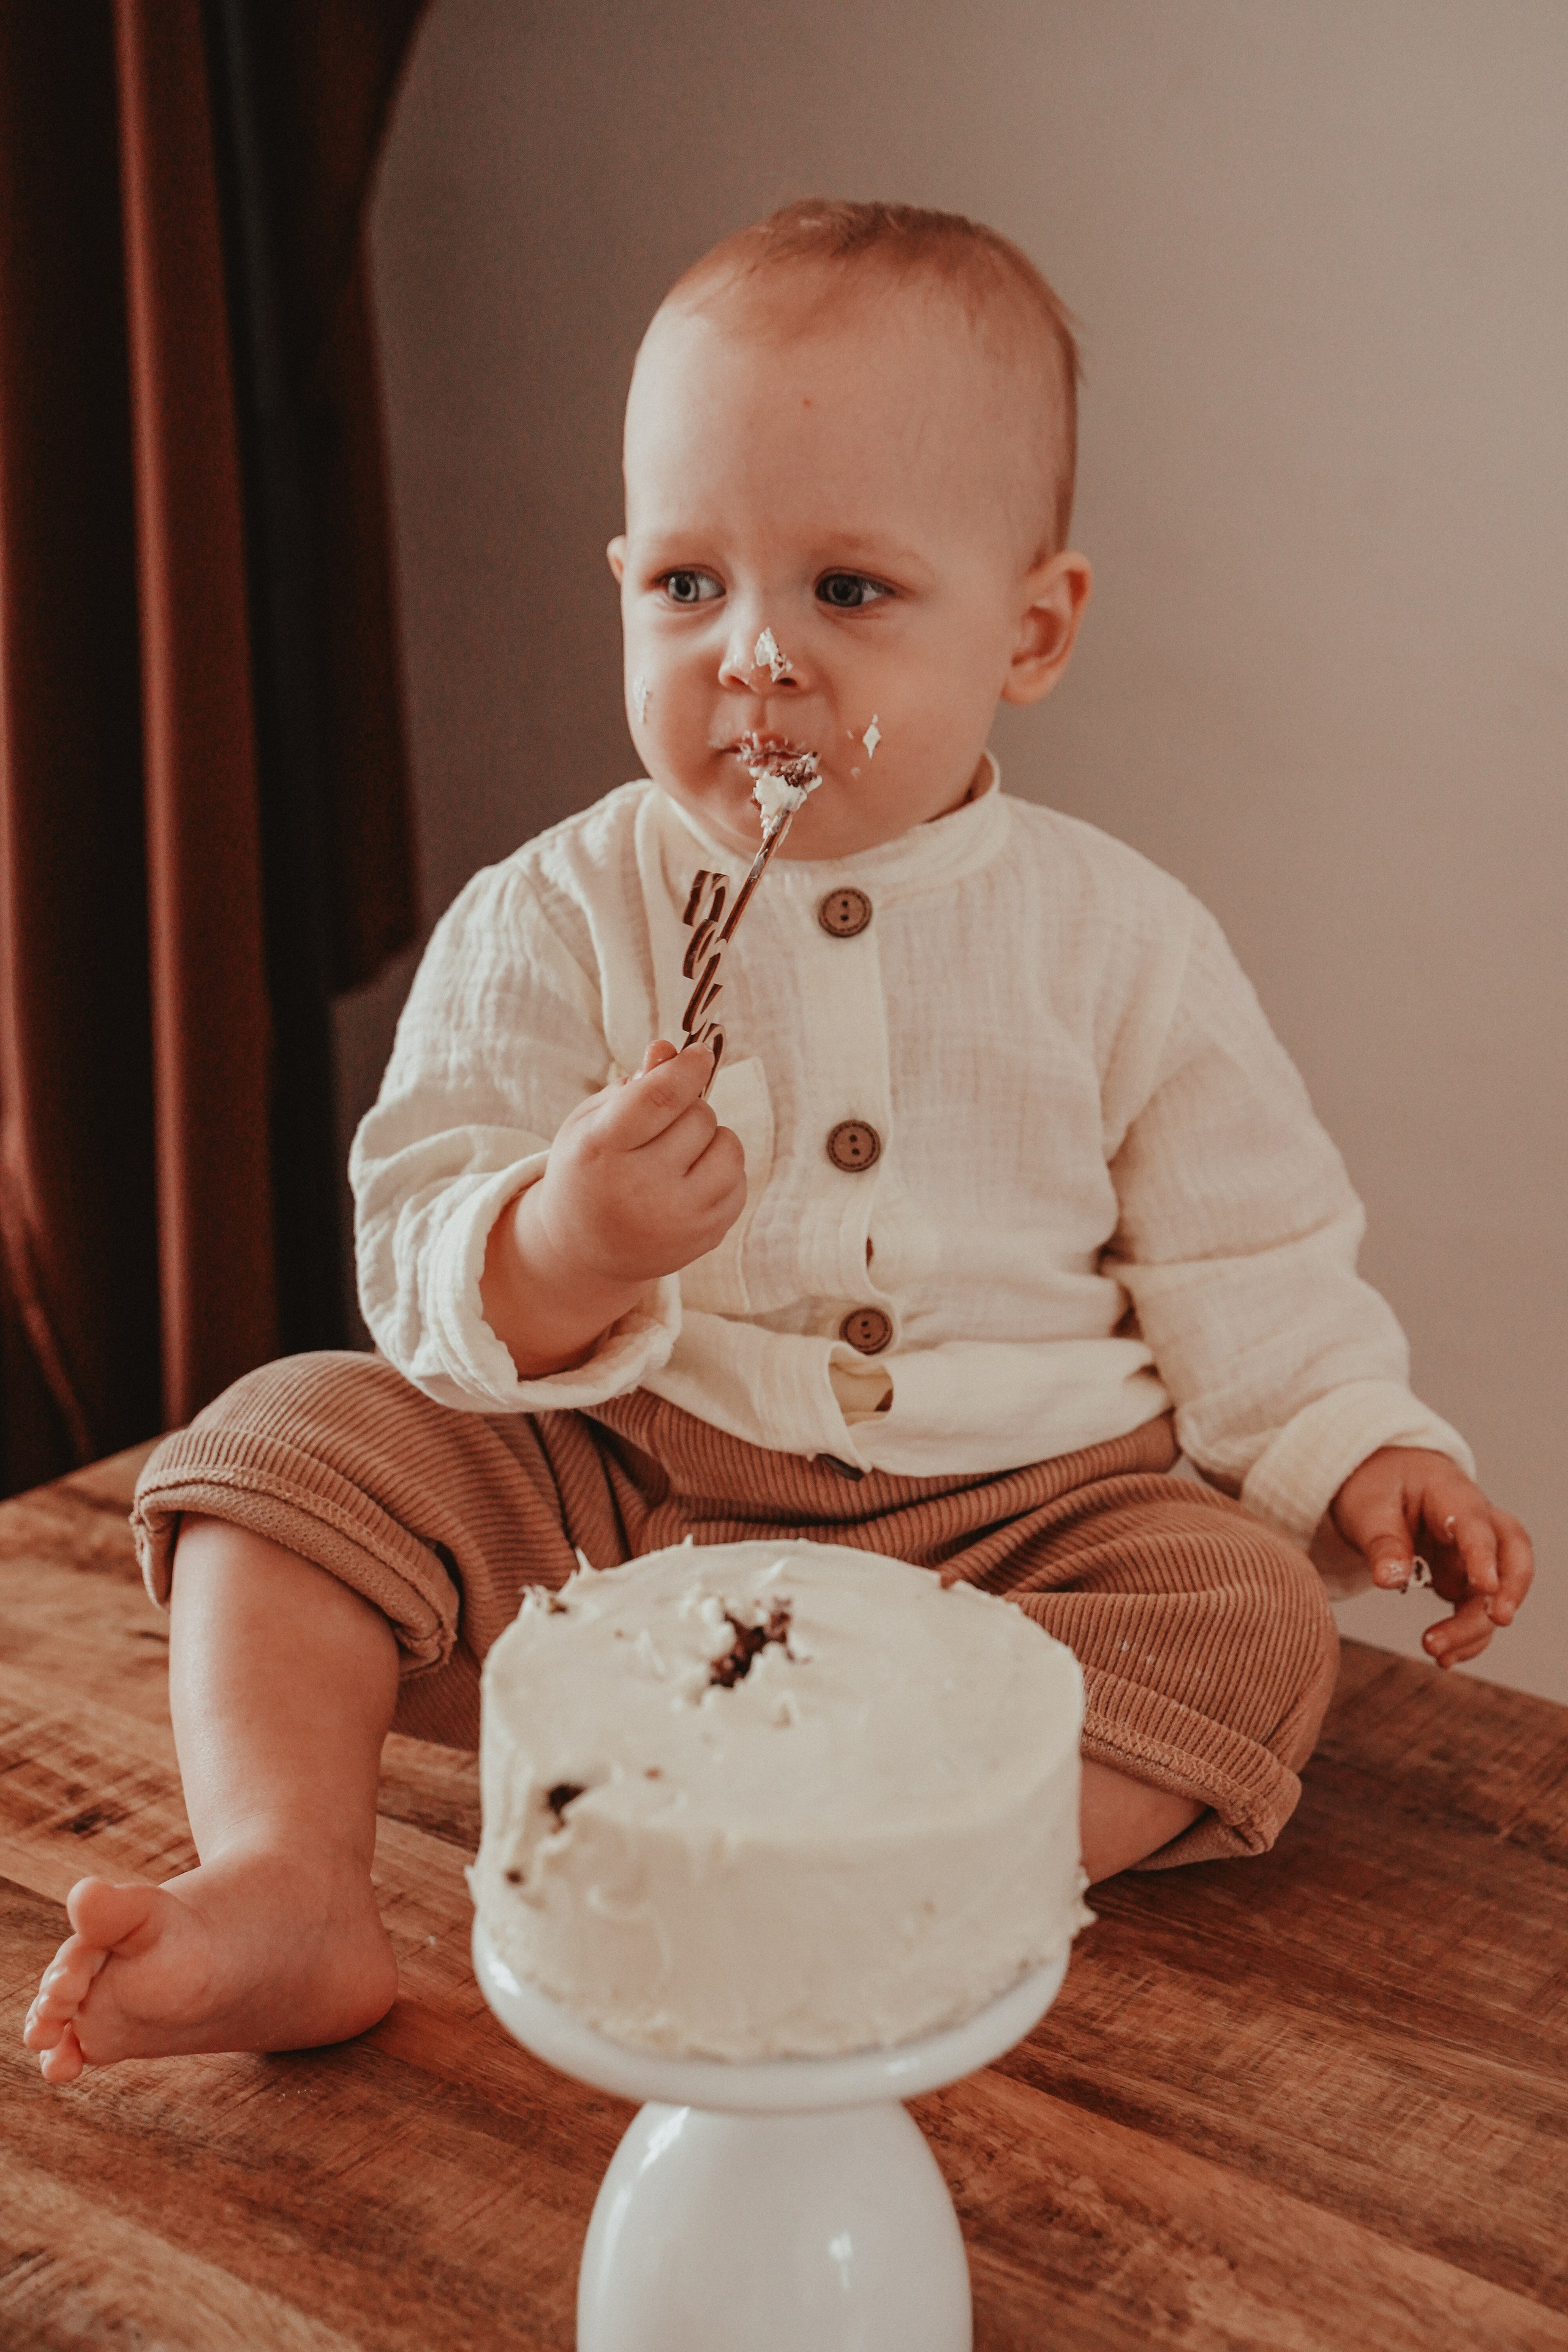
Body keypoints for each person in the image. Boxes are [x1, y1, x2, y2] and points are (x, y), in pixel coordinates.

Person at [26, 201, 1533, 2086]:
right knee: (274, 1446)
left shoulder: (1120, 938)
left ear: (1034, 627)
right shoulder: (558, 913)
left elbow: (1248, 1253)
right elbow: (420, 1214)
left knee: (1237, 1620)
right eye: (684, 588)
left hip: (1014, 1527)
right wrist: (557, 1248)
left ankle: (857, 1876)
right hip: (621, 1492)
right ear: (624, 585)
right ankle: (290, 1884)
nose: (751, 659)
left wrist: (1362, 1445)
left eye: (847, 592)